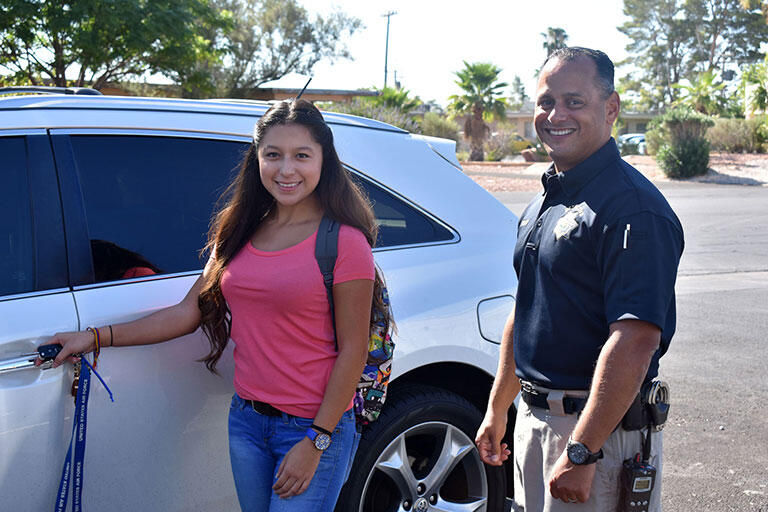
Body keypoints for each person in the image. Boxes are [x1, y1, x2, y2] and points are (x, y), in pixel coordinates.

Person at [44, 99, 391, 512]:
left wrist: (317, 439)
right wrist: (96, 337)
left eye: (302, 156)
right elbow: (187, 312)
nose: (286, 170)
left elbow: (353, 350)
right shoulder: (239, 230)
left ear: (324, 160)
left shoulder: (344, 242)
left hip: (311, 428)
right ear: (257, 158)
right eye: (273, 155)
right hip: (247, 422)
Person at [475, 47, 684, 511]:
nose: (555, 115)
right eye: (546, 102)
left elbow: (634, 340)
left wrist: (584, 449)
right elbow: (527, 308)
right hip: (538, 423)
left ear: (611, 109)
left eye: (574, 102)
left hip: (596, 436)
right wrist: (497, 408)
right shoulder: (548, 198)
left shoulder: (633, 209)